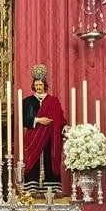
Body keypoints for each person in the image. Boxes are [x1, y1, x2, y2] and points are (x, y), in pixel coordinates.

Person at [22, 65, 66, 196]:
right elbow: (25, 119)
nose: (38, 87)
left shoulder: (53, 101)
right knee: (33, 159)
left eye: (41, 85)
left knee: (50, 158)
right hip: (33, 136)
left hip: (50, 135)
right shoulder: (28, 101)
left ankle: (52, 187)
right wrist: (38, 120)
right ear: (33, 85)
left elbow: (59, 118)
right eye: (36, 85)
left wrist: (64, 127)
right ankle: (32, 187)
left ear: (44, 85)